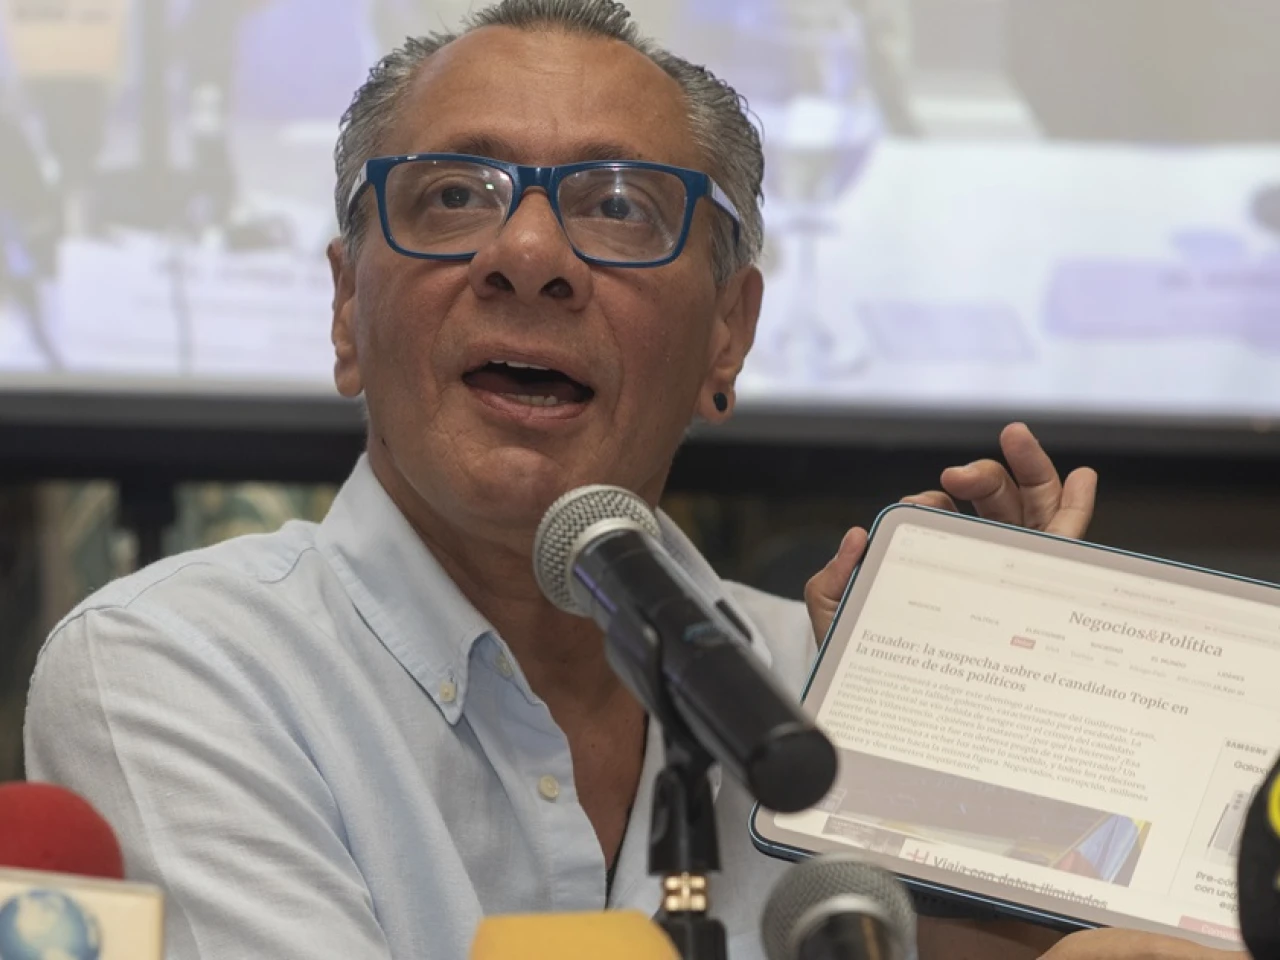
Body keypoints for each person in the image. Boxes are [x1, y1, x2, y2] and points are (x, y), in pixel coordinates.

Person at [21, 2, 1230, 959]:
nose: (528, 256)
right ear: (346, 309)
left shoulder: (822, 692)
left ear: (726, 338)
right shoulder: (175, 668)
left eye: (617, 207)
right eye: (454, 196)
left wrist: (1001, 751)